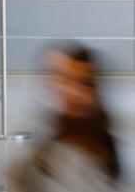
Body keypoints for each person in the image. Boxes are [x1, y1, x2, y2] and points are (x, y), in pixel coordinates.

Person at [9, 45, 121, 192]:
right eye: (67, 80)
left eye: (85, 83)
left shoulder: (97, 149)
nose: (74, 92)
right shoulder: (49, 140)